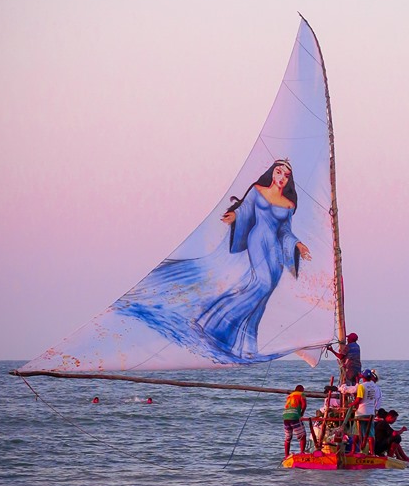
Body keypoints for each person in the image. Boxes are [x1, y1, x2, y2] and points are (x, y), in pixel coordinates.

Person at [114, 159, 312, 362]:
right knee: (261, 284)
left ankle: (244, 342)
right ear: (272, 172)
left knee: (264, 295)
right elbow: (245, 210)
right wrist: (234, 215)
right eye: (278, 172)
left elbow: (285, 231)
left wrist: (298, 245)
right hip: (257, 240)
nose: (281, 178)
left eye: (286, 175)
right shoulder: (258, 190)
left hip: (275, 251)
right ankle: (213, 322)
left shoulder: (289, 204)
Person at [282, 384, 307, 457]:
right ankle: (302, 453)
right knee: (302, 436)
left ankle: (286, 455)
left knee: (288, 437)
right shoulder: (302, 394)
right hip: (294, 416)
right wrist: (301, 414)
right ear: (302, 390)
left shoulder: (290, 395)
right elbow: (304, 405)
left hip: (285, 416)